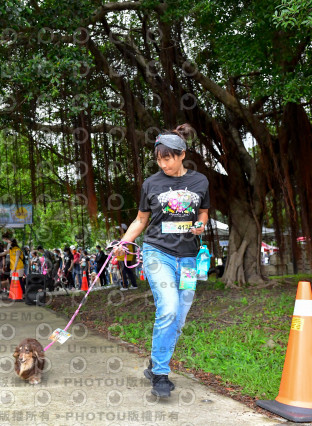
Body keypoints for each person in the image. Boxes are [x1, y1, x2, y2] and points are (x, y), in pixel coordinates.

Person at [114, 124, 209, 398]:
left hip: (189, 258)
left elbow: (203, 212)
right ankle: (161, 375)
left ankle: (155, 361)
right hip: (158, 253)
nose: (163, 163)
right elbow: (141, 219)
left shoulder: (200, 182)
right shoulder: (151, 184)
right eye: (158, 158)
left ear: (181, 155)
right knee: (167, 308)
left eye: (167, 158)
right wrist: (124, 243)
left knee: (179, 318)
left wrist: (201, 226)